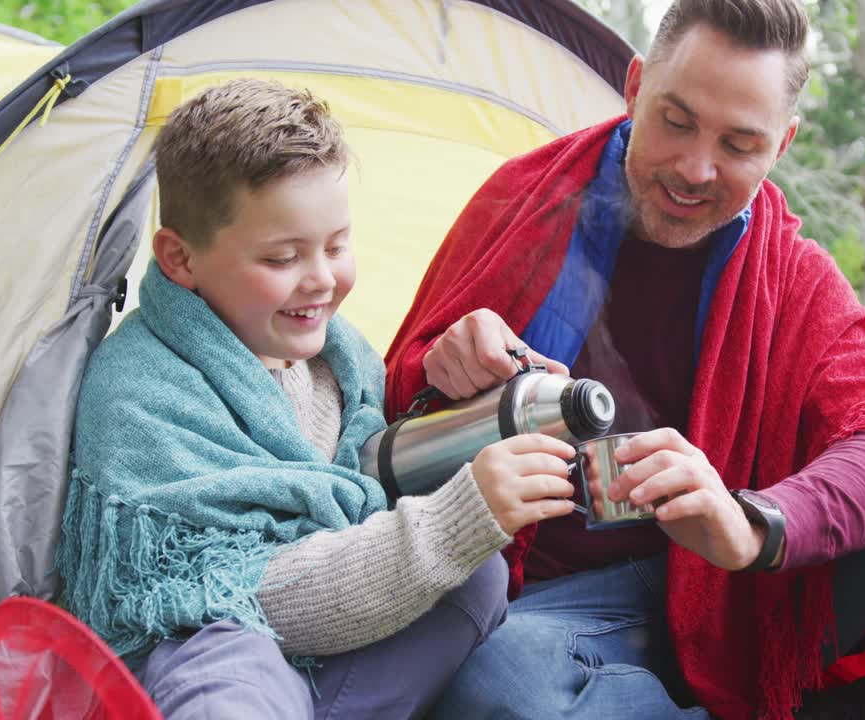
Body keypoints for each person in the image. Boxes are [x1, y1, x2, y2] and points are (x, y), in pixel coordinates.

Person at [382, 2, 865, 719]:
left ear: (783, 144)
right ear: (635, 87)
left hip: (747, 597)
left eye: (738, 145)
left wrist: (752, 525)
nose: (694, 169)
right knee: (495, 684)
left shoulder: (791, 274)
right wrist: (440, 368)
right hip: (566, 606)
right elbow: (390, 414)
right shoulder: (525, 203)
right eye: (675, 120)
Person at [55, 78, 581, 720]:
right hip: (207, 638)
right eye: (282, 257)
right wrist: (456, 519)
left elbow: (370, 479)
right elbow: (253, 597)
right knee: (230, 665)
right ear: (180, 259)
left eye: (336, 246)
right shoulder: (142, 392)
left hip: (322, 656)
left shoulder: (342, 357)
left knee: (478, 577)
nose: (324, 279)